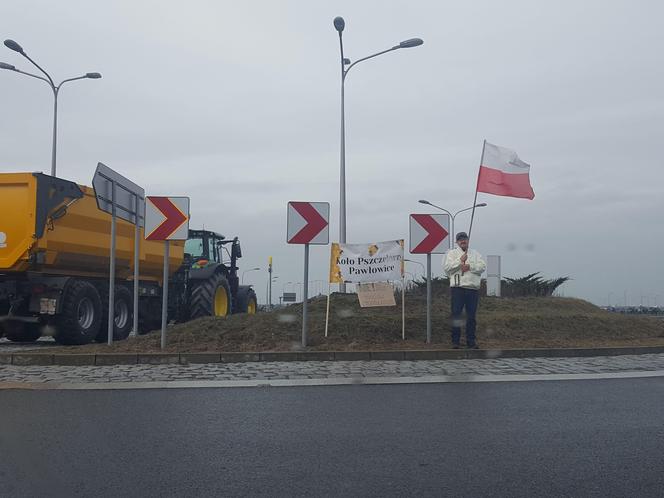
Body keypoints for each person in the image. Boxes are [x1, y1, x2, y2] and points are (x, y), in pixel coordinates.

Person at [443, 232, 486, 349]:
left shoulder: (476, 254)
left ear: (468, 240)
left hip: (472, 289)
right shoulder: (451, 254)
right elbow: (447, 269)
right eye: (460, 239)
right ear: (456, 242)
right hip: (458, 288)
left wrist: (470, 267)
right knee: (456, 314)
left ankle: (471, 341)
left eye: (465, 239)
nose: (463, 241)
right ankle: (455, 341)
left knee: (471, 316)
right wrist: (459, 262)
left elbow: (482, 267)